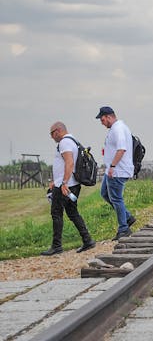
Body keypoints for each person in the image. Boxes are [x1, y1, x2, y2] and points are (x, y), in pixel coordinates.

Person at [42, 122, 95, 256]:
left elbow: (69, 163)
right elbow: (64, 164)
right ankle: (87, 240)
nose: (52, 137)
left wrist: (63, 182)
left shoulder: (65, 142)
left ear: (58, 131)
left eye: (52, 133)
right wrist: (56, 181)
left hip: (65, 186)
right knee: (72, 212)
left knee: (56, 213)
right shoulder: (73, 140)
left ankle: (56, 246)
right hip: (73, 184)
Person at [96, 106, 136, 240]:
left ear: (108, 116)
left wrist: (112, 166)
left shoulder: (118, 129)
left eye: (102, 119)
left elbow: (121, 149)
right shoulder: (116, 128)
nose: (101, 122)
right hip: (112, 170)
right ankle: (127, 217)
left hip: (117, 171)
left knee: (116, 199)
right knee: (104, 193)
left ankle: (124, 229)